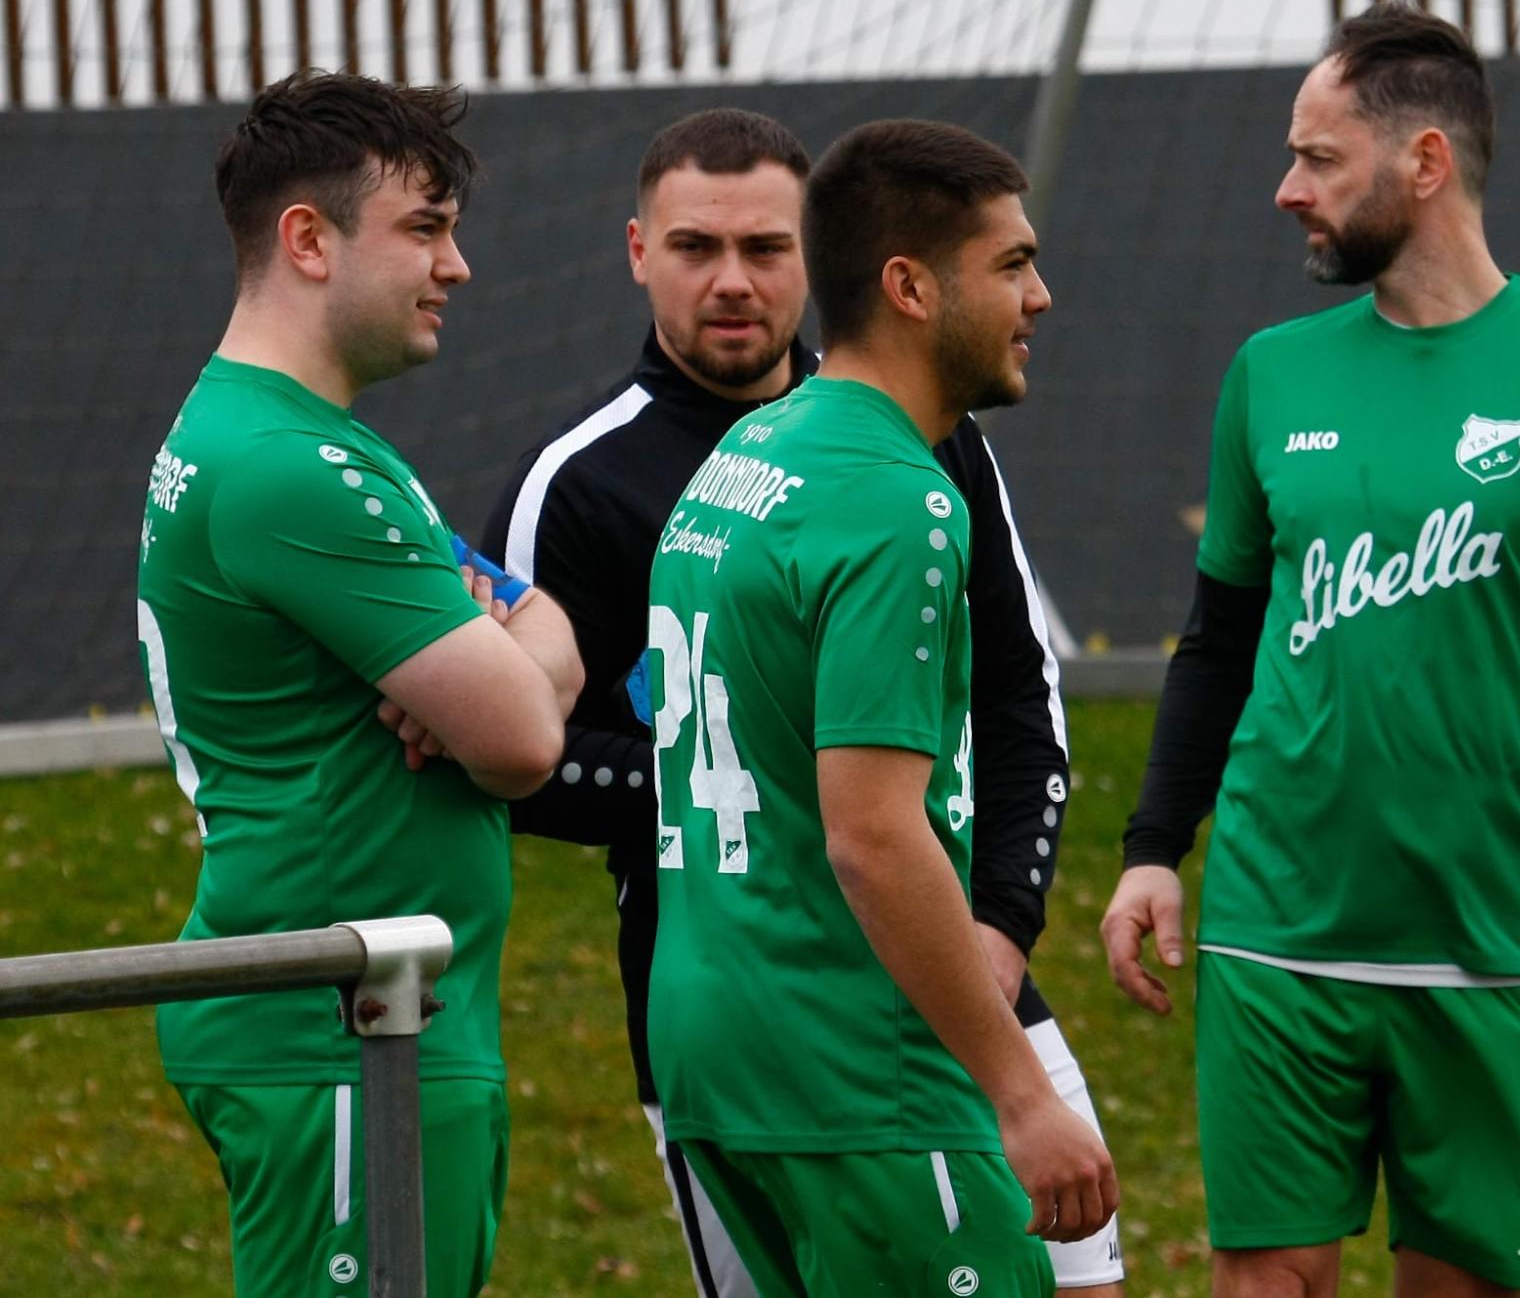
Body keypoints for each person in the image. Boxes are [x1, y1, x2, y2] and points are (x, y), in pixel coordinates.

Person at [1100, 2, 1520, 1298]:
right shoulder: (1271, 373)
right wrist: (1156, 847)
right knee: (1270, 1283)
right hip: (1277, 931)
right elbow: (1219, 640)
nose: (1287, 190)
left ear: (1424, 163)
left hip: (1479, 942)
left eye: (1320, 158)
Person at [478, 108, 1124, 1295]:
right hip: (858, 1037)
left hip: (735, 1028)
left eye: (764, 248)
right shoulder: (886, 496)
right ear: (910, 287)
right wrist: (1019, 1093)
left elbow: (1014, 710)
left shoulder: (742, 462)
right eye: (1013, 265)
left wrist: (1004, 922)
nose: (1039, 298)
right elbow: (871, 833)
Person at [135, 70, 582, 1296]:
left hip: (369, 1020)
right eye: (425, 230)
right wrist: (503, 677)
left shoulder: (304, 439)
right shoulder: (295, 468)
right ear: (307, 240)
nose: (460, 266)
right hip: (338, 1033)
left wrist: (509, 662)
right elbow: (523, 740)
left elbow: (549, 630)